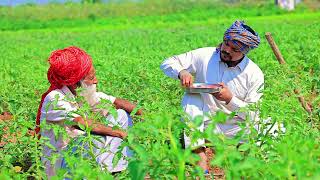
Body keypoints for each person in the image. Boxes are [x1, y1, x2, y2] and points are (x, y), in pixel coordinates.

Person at [160, 20, 263, 172]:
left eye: (234, 49)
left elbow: (253, 113)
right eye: (225, 44)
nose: (226, 50)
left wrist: (230, 99)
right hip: (206, 123)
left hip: (234, 126)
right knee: (191, 98)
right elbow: (168, 62)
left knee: (271, 126)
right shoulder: (205, 55)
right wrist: (182, 72)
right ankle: (200, 161)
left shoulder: (254, 74)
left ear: (244, 51)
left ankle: (250, 167)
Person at [36, 46, 142, 177]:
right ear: (75, 83)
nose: (96, 80)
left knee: (121, 115)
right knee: (97, 135)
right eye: (91, 78)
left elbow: (116, 102)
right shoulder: (55, 98)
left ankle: (116, 171)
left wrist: (153, 117)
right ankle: (108, 173)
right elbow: (82, 123)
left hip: (81, 157)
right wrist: (120, 133)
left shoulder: (82, 94)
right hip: (62, 166)